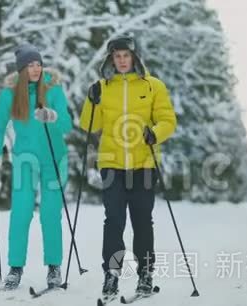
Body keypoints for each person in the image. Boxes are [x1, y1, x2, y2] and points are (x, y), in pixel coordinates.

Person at [79, 36, 177, 297]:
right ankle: (111, 274)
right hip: (111, 163)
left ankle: (145, 274)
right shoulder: (103, 87)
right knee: (114, 221)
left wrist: (154, 133)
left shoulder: (153, 85)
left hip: (144, 163)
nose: (121, 60)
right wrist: (92, 100)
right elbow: (89, 125)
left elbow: (168, 120)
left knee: (142, 221)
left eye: (126, 55)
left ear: (135, 57)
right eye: (117, 56)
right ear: (110, 58)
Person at [0, 44, 73, 290]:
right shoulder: (10, 94)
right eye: (30, 65)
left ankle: (54, 267)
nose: (35, 69)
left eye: (38, 64)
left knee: (50, 213)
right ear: (21, 69)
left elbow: (68, 125)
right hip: (25, 159)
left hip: (55, 159)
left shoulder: (53, 90)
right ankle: (15, 269)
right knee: (21, 212)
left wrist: (53, 117)